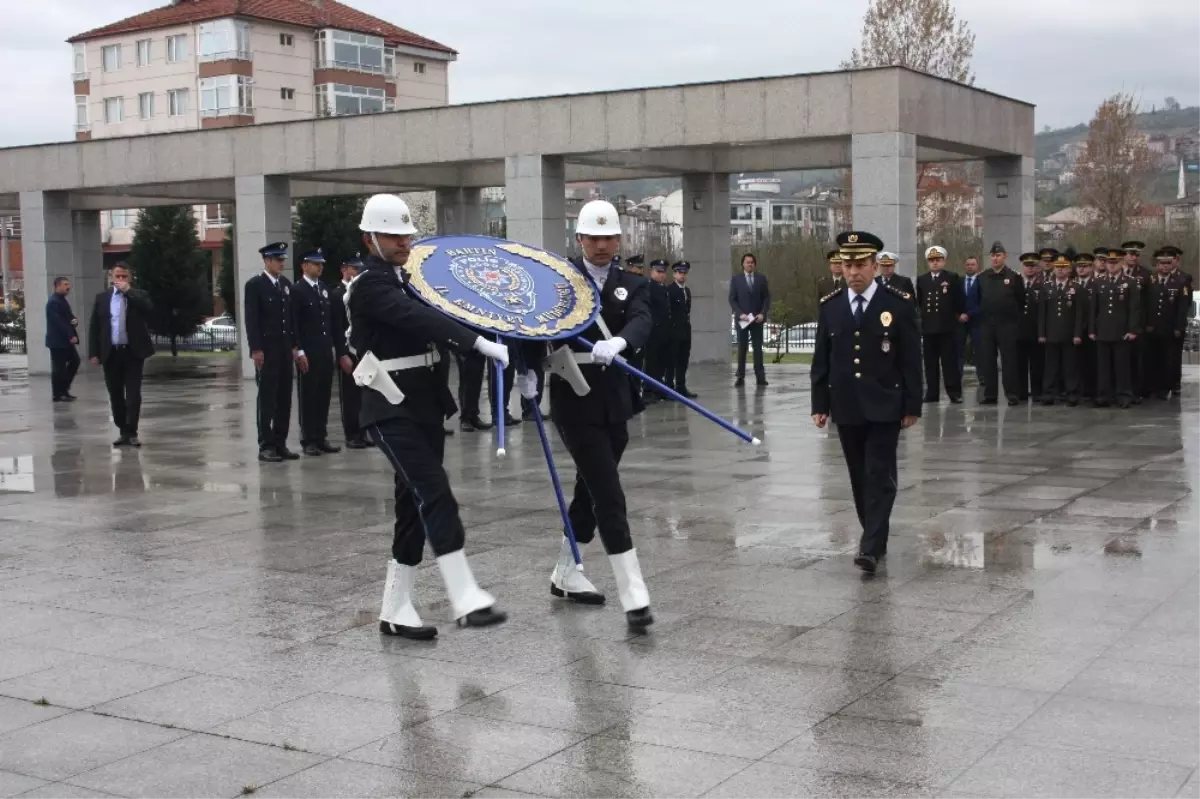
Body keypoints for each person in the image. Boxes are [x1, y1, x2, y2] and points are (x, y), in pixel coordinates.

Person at [349, 193, 508, 636]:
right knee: (434, 491)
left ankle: (396, 609)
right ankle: (465, 596)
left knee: (411, 506)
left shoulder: (407, 280)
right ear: (369, 238)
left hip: (423, 403)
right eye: (392, 235)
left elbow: (446, 309)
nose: (403, 242)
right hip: (389, 405)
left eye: (406, 235)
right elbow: (418, 320)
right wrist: (476, 344)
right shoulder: (371, 286)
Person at [516, 200, 655, 629]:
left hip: (615, 398)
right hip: (574, 397)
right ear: (579, 240)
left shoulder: (631, 283)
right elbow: (528, 321)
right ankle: (634, 593)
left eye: (609, 237)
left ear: (619, 240)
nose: (601, 245)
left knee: (588, 489)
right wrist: (525, 369)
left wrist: (622, 343)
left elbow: (643, 319)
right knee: (608, 493)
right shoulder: (559, 281)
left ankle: (565, 571)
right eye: (593, 238)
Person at [810, 231, 921, 575]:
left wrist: (912, 405)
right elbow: (822, 359)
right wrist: (820, 403)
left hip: (886, 403)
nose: (853, 272)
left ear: (875, 266)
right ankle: (876, 533)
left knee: (878, 473)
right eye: (847, 265)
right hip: (847, 405)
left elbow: (910, 359)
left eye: (860, 265)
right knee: (859, 476)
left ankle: (870, 546)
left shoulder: (898, 304)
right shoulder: (831, 306)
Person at [87, 262, 154, 446]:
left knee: (133, 394)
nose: (121, 279)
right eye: (118, 276)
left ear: (129, 278)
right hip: (111, 353)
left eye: (124, 276)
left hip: (132, 353)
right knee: (115, 394)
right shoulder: (102, 298)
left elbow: (148, 308)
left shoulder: (138, 295)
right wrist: (94, 352)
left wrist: (128, 292)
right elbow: (95, 327)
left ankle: (132, 432)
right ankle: (122, 429)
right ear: (111, 276)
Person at [245, 242, 301, 462]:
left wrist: (295, 345)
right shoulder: (255, 285)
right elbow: (252, 319)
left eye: (283, 259)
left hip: (285, 350)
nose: (281, 263)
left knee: (284, 398)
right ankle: (265, 445)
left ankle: (280, 443)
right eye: (277, 259)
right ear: (267, 261)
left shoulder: (285, 285)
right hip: (267, 350)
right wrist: (256, 349)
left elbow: (291, 319)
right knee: (267, 399)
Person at [292, 249, 341, 457]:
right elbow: (295, 324)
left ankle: (321, 437)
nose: (320, 267)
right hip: (308, 351)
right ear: (304, 266)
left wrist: (334, 349)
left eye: (321, 264)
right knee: (308, 396)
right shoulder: (298, 290)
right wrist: (299, 350)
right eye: (315, 264)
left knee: (323, 396)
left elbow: (330, 323)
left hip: (324, 350)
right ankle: (308, 439)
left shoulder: (323, 289)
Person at [1091, 247, 1140, 409]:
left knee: (1122, 366)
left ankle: (1124, 395)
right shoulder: (1098, 282)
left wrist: (1133, 329)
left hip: (1121, 331)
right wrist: (1092, 329)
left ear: (1122, 263)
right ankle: (1104, 395)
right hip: (1103, 330)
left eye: (1115, 262)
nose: (1112, 265)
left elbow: (1134, 308)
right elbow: (1094, 308)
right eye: (1109, 262)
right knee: (1103, 367)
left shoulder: (1130, 282)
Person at [978, 241, 1025, 406]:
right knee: (988, 360)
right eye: (993, 256)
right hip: (987, 325)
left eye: (998, 255)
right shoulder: (982, 277)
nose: (995, 258)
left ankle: (1012, 393)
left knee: (1009, 360)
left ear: (1005, 256)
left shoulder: (1014, 277)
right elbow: (978, 300)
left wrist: (1014, 322)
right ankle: (990, 394)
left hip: (1007, 325)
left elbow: (1021, 301)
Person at [915, 246, 963, 403]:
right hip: (929, 327)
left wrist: (959, 315)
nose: (935, 263)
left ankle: (954, 393)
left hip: (947, 327)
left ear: (944, 261)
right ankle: (932, 393)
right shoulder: (922, 279)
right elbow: (920, 302)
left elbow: (958, 299)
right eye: (931, 260)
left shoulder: (952, 277)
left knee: (949, 363)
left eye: (938, 260)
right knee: (930, 364)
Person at [332, 254, 371, 449]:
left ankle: (363, 431)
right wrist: (341, 353)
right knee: (349, 395)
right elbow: (337, 327)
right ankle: (352, 434)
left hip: (362, 349)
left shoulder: (360, 293)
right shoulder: (337, 294)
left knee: (364, 393)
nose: (356, 273)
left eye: (359, 269)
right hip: (348, 349)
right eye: (353, 269)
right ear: (344, 269)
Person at [1145, 247, 1190, 399]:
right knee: (1153, 358)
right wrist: (1147, 323)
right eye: (1161, 263)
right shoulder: (1150, 281)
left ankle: (1165, 388)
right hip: (1153, 328)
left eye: (1168, 263)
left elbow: (1182, 308)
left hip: (1169, 328)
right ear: (1157, 265)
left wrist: (1178, 327)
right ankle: (1153, 386)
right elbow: (1146, 304)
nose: (1165, 266)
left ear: (1172, 264)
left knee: (1168, 360)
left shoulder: (1180, 282)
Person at [1038, 252, 1081, 406]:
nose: (1060, 270)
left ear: (1069, 269)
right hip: (1051, 334)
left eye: (1063, 267)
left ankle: (1071, 394)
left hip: (1069, 334)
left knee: (1070, 367)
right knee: (1051, 366)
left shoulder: (1075, 287)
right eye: (1058, 267)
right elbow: (1042, 313)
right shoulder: (1046, 287)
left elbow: (1079, 313)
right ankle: (1048, 393)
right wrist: (1042, 333)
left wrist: (1077, 334)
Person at [730, 252, 771, 387]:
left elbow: (766, 298)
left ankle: (760, 376)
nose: (750, 264)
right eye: (747, 262)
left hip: (757, 319)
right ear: (743, 264)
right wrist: (740, 313)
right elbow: (732, 299)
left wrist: (763, 313)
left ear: (755, 264)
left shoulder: (761, 278)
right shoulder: (736, 279)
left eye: (752, 262)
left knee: (757, 348)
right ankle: (740, 376)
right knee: (742, 348)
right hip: (743, 319)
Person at [1016, 251, 1046, 402]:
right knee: (1020, 363)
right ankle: (1021, 392)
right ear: (1023, 267)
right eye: (1027, 266)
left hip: (1036, 330)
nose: (1030, 269)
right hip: (1019, 330)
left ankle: (1037, 392)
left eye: (1033, 266)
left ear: (1037, 267)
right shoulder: (1016, 283)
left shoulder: (1043, 285)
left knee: (1037, 364)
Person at [45, 276, 81, 403]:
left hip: (64, 341)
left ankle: (64, 389)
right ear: (57, 286)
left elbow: (68, 318)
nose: (68, 287)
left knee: (74, 362)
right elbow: (58, 322)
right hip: (58, 341)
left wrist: (74, 321)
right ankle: (58, 393)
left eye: (69, 284)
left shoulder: (62, 300)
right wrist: (70, 335)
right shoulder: (54, 302)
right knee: (59, 367)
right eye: (65, 284)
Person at [1123, 240, 1151, 402]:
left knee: (1137, 359)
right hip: (1119, 323)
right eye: (1131, 254)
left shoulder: (1145, 275)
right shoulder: (1117, 273)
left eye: (1136, 255)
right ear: (1124, 256)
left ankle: (1136, 390)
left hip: (1138, 324)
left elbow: (1148, 302)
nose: (1134, 257)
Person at [642, 258, 672, 405]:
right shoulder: (648, 287)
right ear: (651, 271)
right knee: (651, 362)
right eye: (658, 271)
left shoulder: (663, 288)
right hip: (653, 331)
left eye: (663, 272)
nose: (661, 275)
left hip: (664, 332)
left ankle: (658, 389)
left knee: (662, 362)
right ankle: (647, 390)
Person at [665, 261, 696, 398]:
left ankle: (681, 386)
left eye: (684, 273)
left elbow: (687, 311)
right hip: (673, 330)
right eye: (679, 273)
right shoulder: (670, 290)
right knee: (672, 360)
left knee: (683, 359)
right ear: (674, 274)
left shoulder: (686, 291)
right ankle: (669, 388)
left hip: (685, 330)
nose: (682, 276)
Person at [1073, 252, 1099, 404]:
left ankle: (1091, 390)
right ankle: (1079, 390)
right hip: (1075, 330)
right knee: (1076, 362)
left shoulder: (1097, 284)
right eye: (1079, 267)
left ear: (1091, 267)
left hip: (1091, 329)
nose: (1081, 269)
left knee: (1092, 362)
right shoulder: (1072, 284)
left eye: (1085, 266)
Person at [959, 255, 983, 371]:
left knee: (979, 350)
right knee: (959, 350)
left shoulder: (982, 282)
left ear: (977, 266)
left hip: (977, 321)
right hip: (960, 322)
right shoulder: (958, 281)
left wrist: (969, 314)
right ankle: (957, 376)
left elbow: (983, 302)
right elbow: (954, 300)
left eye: (973, 264)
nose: (970, 267)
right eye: (968, 264)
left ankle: (982, 377)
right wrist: (959, 315)